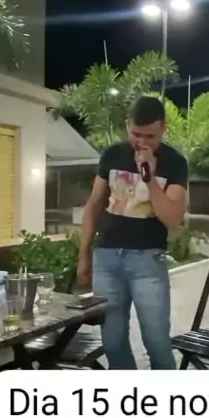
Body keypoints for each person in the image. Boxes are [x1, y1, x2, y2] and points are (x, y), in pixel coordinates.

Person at [77, 95, 188, 370]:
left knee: (156, 341)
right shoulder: (113, 155)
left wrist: (149, 177)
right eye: (136, 134)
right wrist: (84, 256)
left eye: (150, 136)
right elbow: (93, 205)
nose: (142, 142)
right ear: (128, 125)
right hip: (107, 259)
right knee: (112, 341)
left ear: (163, 128)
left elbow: (172, 218)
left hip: (147, 260)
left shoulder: (175, 162)